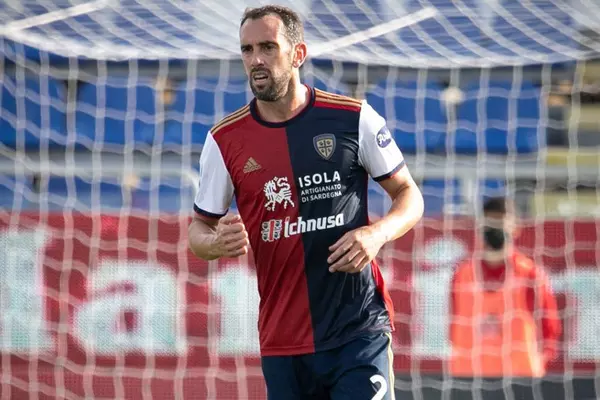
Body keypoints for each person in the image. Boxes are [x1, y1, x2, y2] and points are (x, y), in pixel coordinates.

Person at [187, 4, 424, 399]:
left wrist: (376, 234)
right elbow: (198, 230)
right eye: (247, 50)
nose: (256, 60)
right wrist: (214, 243)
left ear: (298, 53)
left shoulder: (354, 118)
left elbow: (409, 195)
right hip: (284, 343)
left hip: (357, 330)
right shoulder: (224, 141)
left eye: (268, 47)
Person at [449, 196, 561, 378]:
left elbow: (550, 329)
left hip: (520, 380)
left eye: (500, 223)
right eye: (490, 223)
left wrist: (539, 362)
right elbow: (453, 326)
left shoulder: (530, 275)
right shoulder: (462, 275)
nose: (494, 229)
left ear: (515, 227)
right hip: (468, 378)